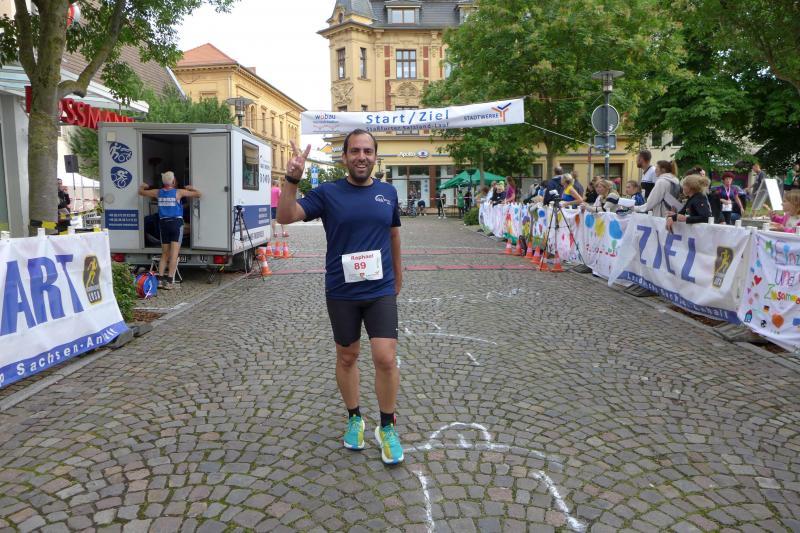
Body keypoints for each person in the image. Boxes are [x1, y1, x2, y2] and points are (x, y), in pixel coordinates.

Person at [276, 130, 404, 465]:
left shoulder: (388, 193)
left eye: (368, 151)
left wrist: (398, 275)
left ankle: (387, 426)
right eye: (355, 151)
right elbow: (285, 216)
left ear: (375, 156)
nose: (362, 157)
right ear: (344, 157)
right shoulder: (328, 193)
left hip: (379, 289)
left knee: (385, 357)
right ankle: (354, 418)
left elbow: (393, 235)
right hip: (342, 291)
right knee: (348, 357)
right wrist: (292, 178)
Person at [138, 171, 201, 289]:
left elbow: (141, 192)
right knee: (174, 254)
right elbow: (198, 194)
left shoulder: (158, 192)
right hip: (176, 224)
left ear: (163, 182)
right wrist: (191, 188)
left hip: (163, 224)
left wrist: (143, 186)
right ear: (173, 181)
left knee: (165, 254)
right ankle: (170, 281)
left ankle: (160, 279)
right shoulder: (179, 192)